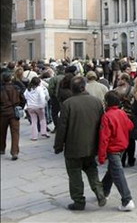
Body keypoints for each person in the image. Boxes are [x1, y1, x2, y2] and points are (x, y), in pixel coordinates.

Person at [54, 76, 106, 210]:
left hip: (74, 146)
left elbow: (62, 127)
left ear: (72, 89)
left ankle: (78, 200)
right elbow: (102, 125)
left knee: (74, 173)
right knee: (92, 169)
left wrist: (58, 145)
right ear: (84, 87)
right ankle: (99, 192)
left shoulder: (68, 104)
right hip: (91, 144)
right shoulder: (96, 102)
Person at [98, 91, 135, 211]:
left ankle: (127, 199)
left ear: (107, 102)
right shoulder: (122, 113)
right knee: (113, 170)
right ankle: (104, 190)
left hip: (113, 148)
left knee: (118, 173)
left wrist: (101, 156)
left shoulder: (107, 116)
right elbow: (130, 126)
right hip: (123, 145)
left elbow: (104, 138)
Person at [114, 73, 136, 167]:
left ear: (124, 79)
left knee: (122, 137)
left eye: (119, 79)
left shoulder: (115, 91)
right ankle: (131, 159)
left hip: (120, 116)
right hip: (131, 116)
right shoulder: (133, 89)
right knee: (131, 139)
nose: (118, 80)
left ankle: (122, 160)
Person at [0, 73, 23, 160]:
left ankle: (2, 148)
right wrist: (19, 106)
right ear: (10, 79)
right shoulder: (16, 88)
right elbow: (23, 99)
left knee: (2, 131)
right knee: (15, 133)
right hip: (14, 112)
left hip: (3, 113)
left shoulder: (1, 89)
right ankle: (14, 152)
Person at [23, 77, 50, 141]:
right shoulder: (39, 89)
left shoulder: (28, 89)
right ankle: (43, 132)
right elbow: (42, 97)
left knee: (33, 121)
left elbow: (25, 95)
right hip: (39, 106)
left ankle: (34, 136)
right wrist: (43, 105)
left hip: (30, 106)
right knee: (42, 119)